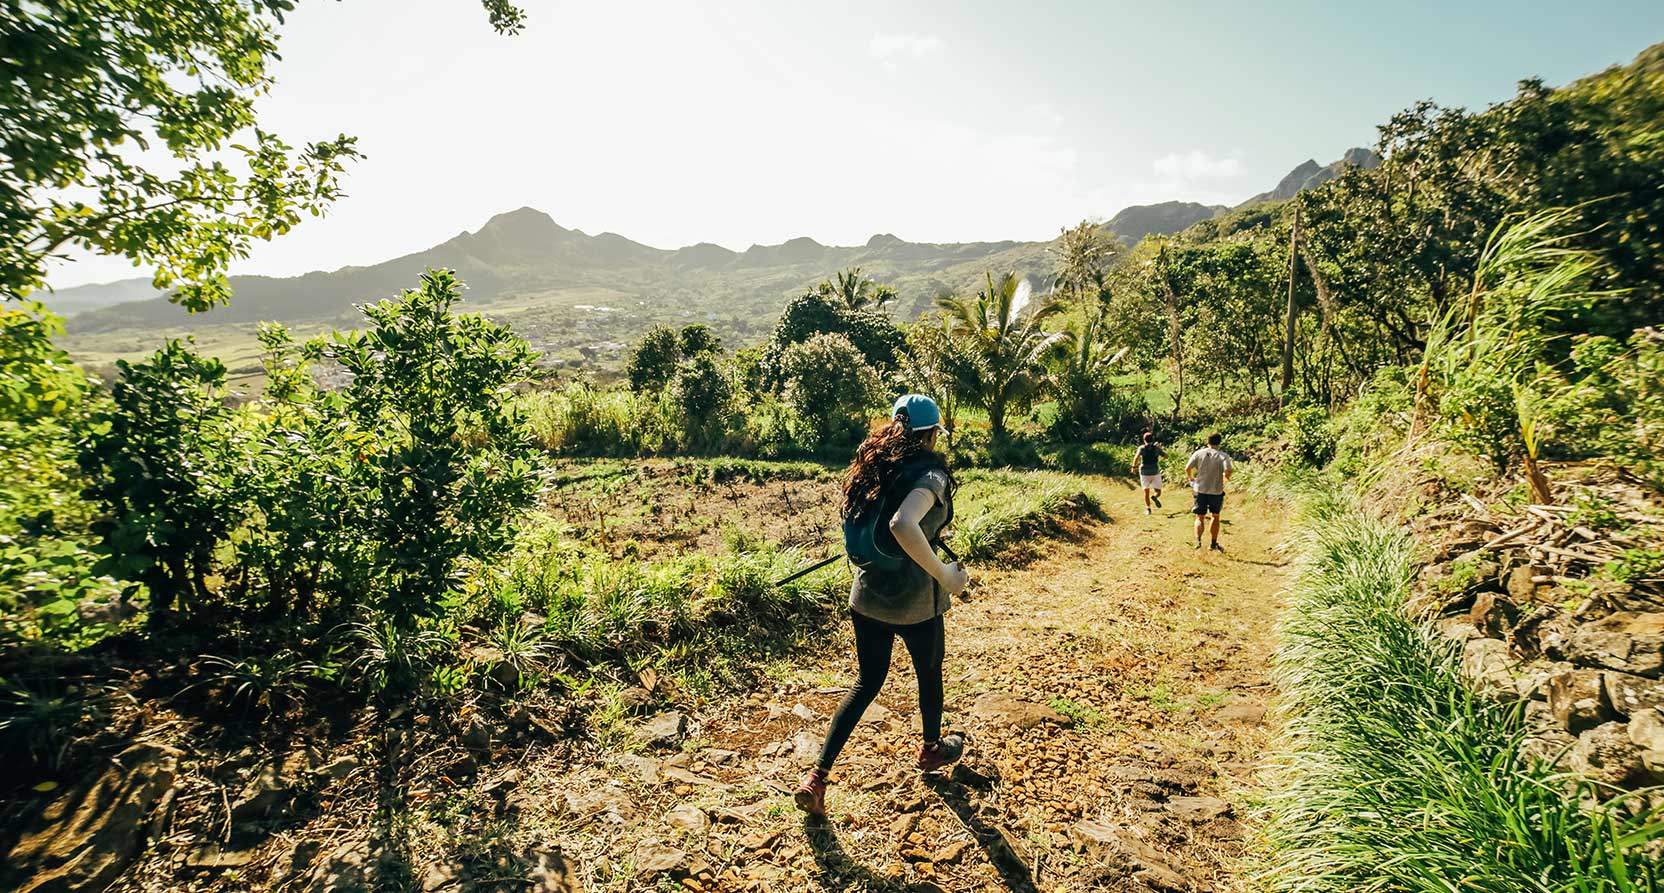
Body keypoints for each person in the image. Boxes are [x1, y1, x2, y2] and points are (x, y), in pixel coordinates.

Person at [795, 394, 970, 818]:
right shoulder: (930, 472)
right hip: (915, 601)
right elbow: (902, 524)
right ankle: (931, 750)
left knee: (866, 683)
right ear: (930, 435)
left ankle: (817, 777)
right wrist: (946, 575)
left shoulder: (873, 466)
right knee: (929, 674)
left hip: (868, 594)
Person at [1184, 432, 1233, 551]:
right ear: (1220, 442)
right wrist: (1225, 478)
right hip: (1216, 490)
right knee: (1215, 516)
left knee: (1199, 517)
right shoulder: (1223, 456)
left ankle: (1197, 541)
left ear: (1208, 441)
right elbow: (1228, 470)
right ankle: (1213, 543)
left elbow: (1187, 468)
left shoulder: (1199, 453)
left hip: (1200, 489)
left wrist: (1191, 478)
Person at [1132, 431, 1166, 514]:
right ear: (1152, 439)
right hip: (1155, 471)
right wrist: (1160, 448)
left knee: (1146, 492)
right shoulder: (1156, 448)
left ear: (1144, 440)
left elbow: (1136, 457)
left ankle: (1148, 509)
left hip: (1144, 472)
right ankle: (1154, 497)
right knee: (1158, 491)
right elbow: (1166, 456)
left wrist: (1134, 467)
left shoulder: (1141, 448)